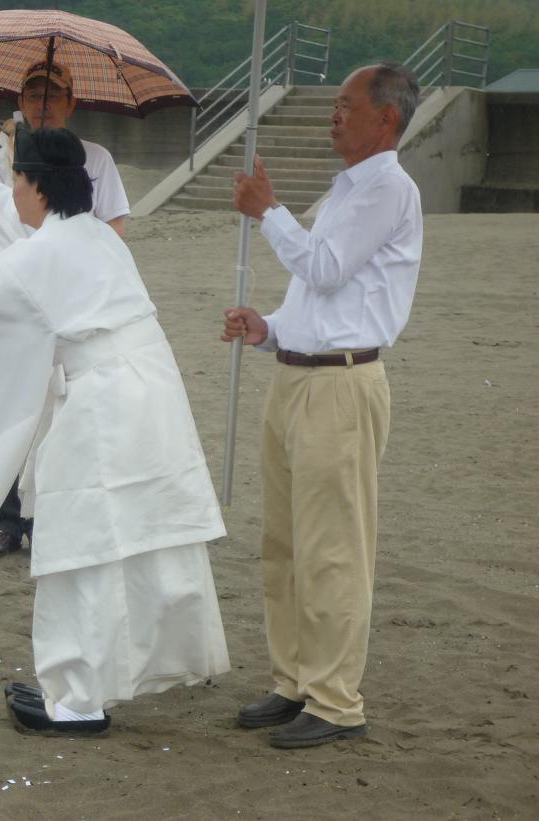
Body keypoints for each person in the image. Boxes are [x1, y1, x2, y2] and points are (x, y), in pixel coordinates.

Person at [0, 125, 229, 735]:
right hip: (151, 393)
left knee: (79, 545)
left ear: (38, 186)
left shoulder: (45, 250)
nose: (10, 188)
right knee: (143, 532)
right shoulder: (93, 234)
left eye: (17, 177)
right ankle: (120, 674)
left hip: (102, 405)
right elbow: (1, 242)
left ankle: (76, 698)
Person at [222, 62, 422, 749]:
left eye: (344, 105)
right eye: (333, 104)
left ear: (385, 119)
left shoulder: (388, 189)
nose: (332, 115)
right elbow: (319, 295)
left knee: (332, 546)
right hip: (298, 374)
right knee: (282, 543)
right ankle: (295, 679)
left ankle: (335, 700)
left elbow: (326, 267)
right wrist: (268, 327)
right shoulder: (347, 189)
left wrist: (267, 211)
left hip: (341, 384)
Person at [0, 60, 132, 561]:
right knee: (6, 407)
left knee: (59, 413)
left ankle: (47, 516)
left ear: (71, 102)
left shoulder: (96, 159)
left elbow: (114, 226)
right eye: (32, 94)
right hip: (15, 289)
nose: (41, 104)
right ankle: (3, 520)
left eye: (52, 95)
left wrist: (70, 265)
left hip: (66, 296)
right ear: (18, 101)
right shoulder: (0, 161)